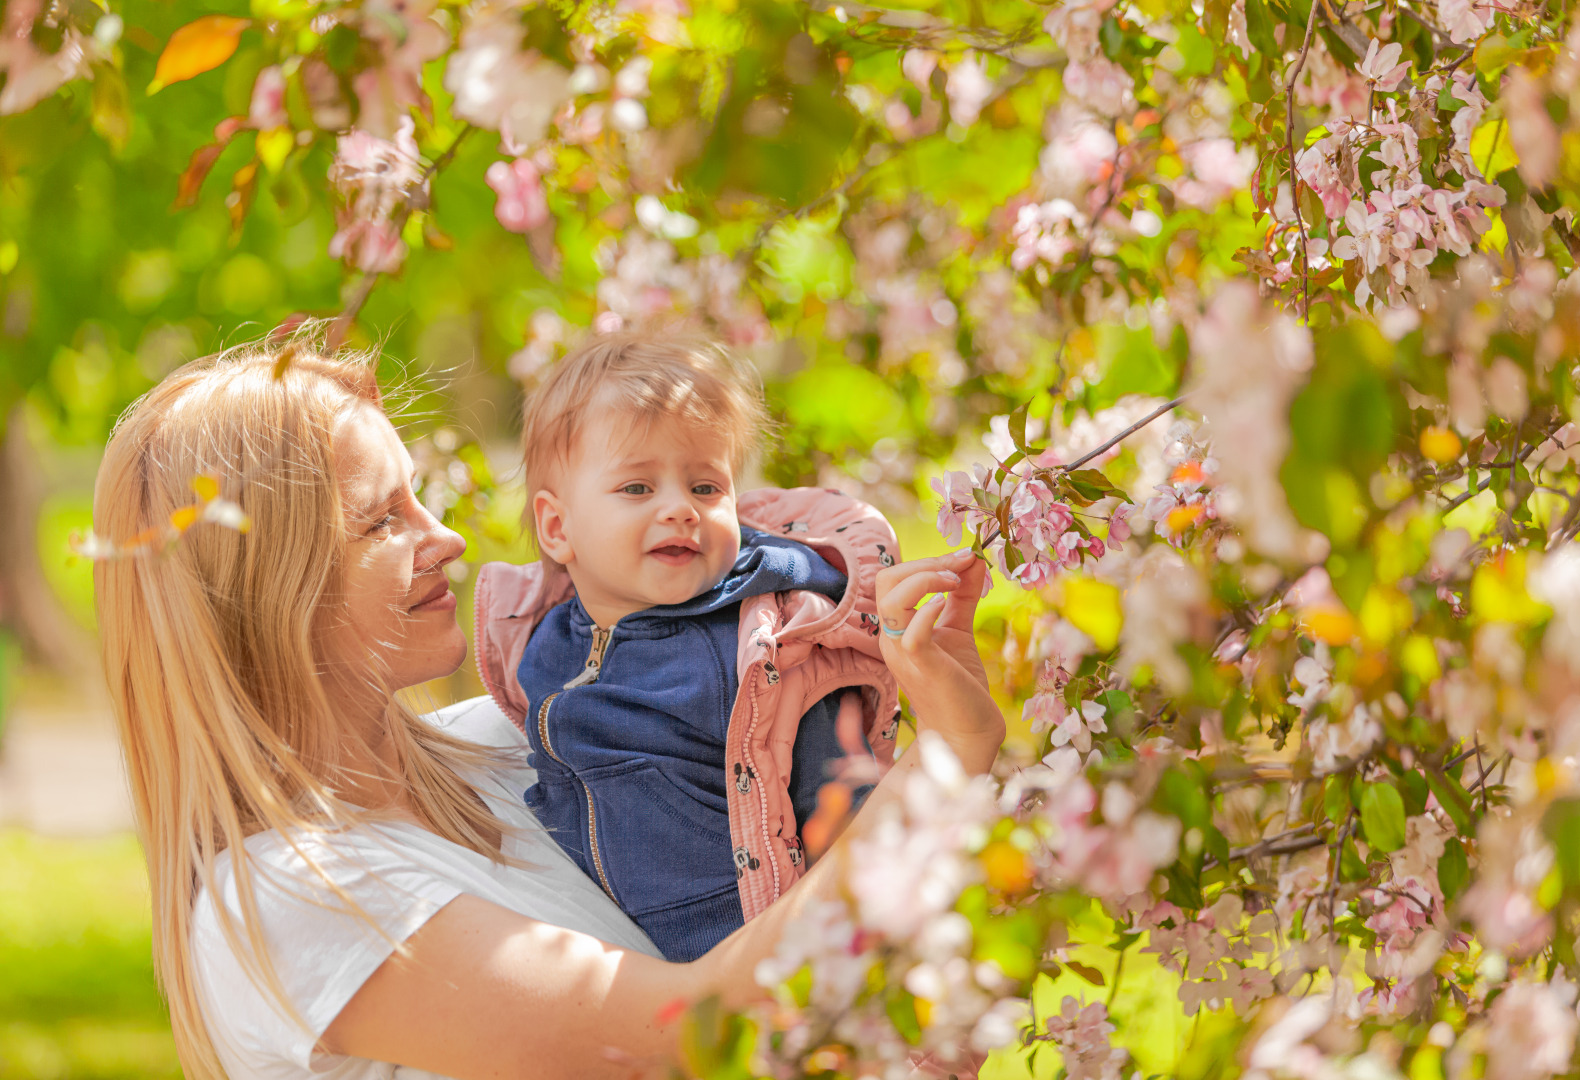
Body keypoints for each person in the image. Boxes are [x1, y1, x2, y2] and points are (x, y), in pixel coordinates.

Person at [92, 330, 1003, 1080]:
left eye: (420, 498)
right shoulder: (296, 899)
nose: (444, 537)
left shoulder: (525, 740)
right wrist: (952, 756)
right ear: (269, 590)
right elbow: (688, 1039)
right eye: (381, 520)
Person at [473, 331, 897, 962]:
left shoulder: (767, 651)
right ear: (558, 528)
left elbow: (848, 811)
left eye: (705, 487)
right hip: (606, 970)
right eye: (637, 489)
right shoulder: (540, 642)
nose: (680, 509)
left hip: (744, 963)